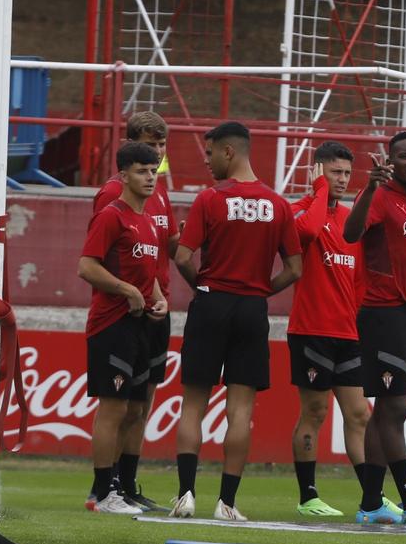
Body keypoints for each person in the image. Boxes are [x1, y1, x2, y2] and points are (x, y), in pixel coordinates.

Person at [171, 122, 301, 521]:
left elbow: (181, 257)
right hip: (251, 308)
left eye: (210, 153)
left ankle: (186, 496)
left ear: (229, 152)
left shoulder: (210, 199)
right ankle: (226, 503)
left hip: (211, 303)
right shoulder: (278, 205)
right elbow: (295, 268)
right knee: (241, 411)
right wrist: (261, 289)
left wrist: (202, 286)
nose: (207, 162)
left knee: (193, 403)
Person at [85, 111, 175, 512]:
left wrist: (157, 297)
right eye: (143, 167)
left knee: (138, 404)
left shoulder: (150, 214)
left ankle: (124, 485)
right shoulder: (112, 207)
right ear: (125, 171)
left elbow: (151, 266)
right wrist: (126, 291)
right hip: (115, 319)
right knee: (115, 406)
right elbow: (88, 264)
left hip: (145, 319)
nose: (152, 172)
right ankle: (102, 491)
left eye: (156, 162)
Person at [286, 141, 381, 520]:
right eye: (333, 172)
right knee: (315, 411)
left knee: (360, 415)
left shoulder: (350, 219)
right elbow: (307, 231)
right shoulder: (298, 212)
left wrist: (353, 316)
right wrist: (318, 191)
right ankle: (308, 495)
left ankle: (371, 497)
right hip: (310, 330)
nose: (341, 179)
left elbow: (359, 280)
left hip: (346, 333)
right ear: (317, 171)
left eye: (345, 173)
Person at [345, 131, 406, 525]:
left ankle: (370, 503)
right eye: (405, 156)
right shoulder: (380, 196)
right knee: (393, 406)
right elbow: (351, 234)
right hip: (383, 313)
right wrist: (368, 188)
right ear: (391, 161)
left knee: (389, 409)